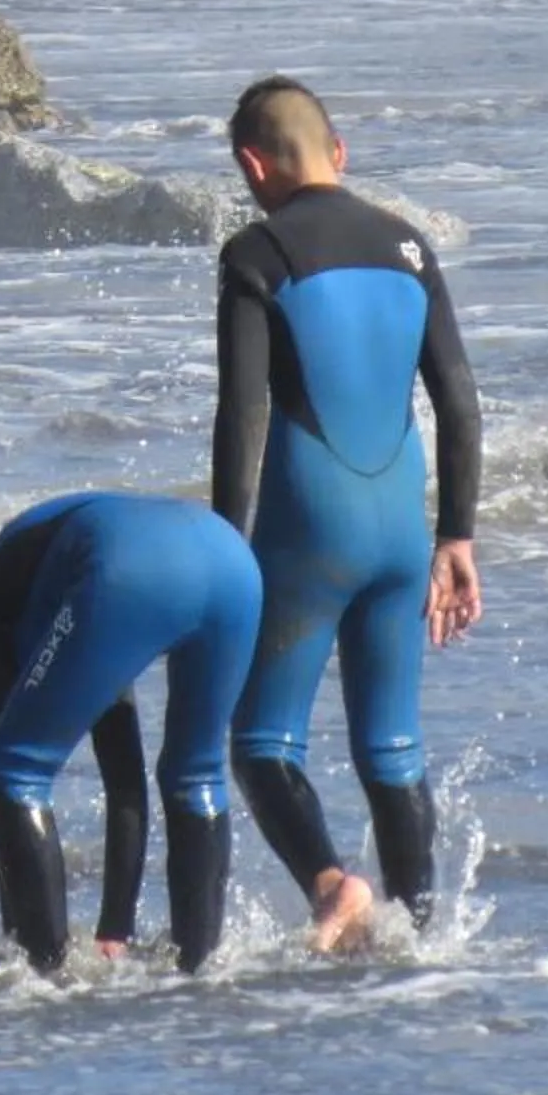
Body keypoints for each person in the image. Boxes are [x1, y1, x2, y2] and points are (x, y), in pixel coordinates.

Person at [213, 76, 482, 951]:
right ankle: (424, 940)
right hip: (405, 534)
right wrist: (458, 536)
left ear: (254, 166)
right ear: (341, 152)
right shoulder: (409, 245)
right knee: (393, 749)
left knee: (260, 742)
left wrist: (226, 545)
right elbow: (460, 401)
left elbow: (244, 417)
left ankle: (336, 887)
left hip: (308, 528)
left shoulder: (255, 254)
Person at [0, 494, 259, 973]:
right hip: (233, 561)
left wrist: (16, 937)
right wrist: (115, 928)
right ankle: (199, 976)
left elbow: (7, 798)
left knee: (10, 767)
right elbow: (123, 781)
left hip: (125, 568)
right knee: (194, 773)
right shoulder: (42, 597)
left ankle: (38, 977)